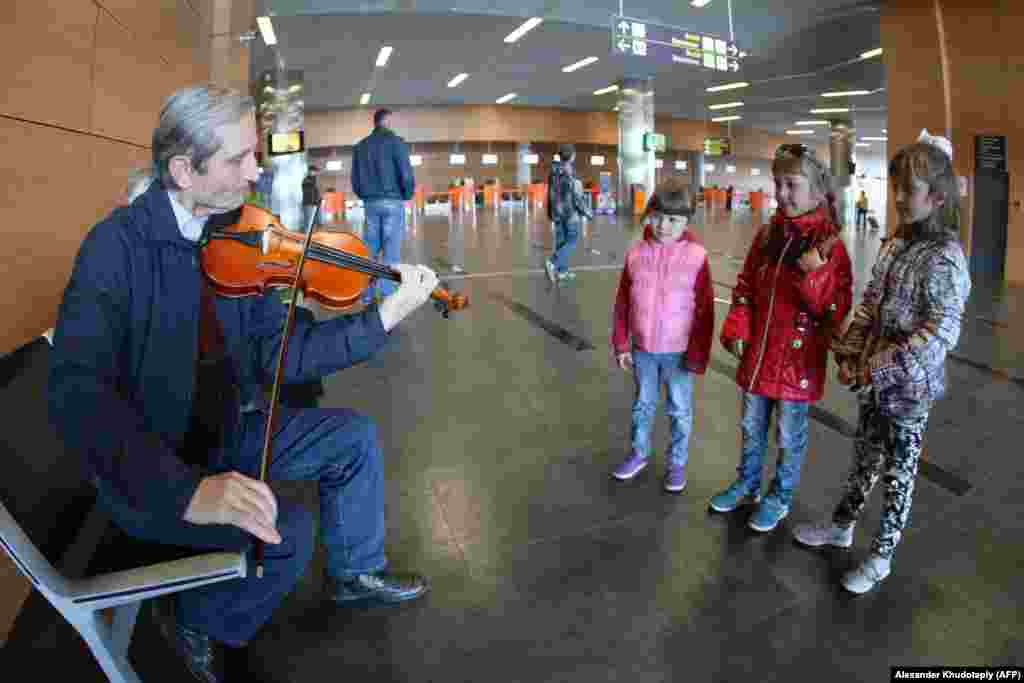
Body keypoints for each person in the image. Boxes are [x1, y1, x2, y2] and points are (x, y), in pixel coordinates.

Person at [48, 85, 439, 683]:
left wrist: (381, 318)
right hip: (154, 468)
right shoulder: (115, 248)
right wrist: (186, 491)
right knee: (289, 529)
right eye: (238, 159)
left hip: (226, 432)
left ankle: (355, 572)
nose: (256, 171)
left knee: (352, 438)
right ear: (184, 170)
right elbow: (79, 397)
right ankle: (200, 622)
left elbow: (290, 349)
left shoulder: (237, 237)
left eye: (255, 154)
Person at [792, 131, 970, 594]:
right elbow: (871, 303)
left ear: (936, 196)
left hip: (909, 389)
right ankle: (842, 525)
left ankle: (883, 554)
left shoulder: (946, 257)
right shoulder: (895, 243)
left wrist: (884, 365)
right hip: (874, 380)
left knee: (899, 473)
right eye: (896, 188)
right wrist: (851, 352)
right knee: (862, 458)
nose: (898, 198)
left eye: (908, 190)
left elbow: (942, 331)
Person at [711, 144, 853, 532]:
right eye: (778, 183)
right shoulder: (768, 234)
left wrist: (817, 274)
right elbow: (746, 285)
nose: (782, 193)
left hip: (797, 362)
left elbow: (836, 310)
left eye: (791, 184)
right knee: (750, 426)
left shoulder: (829, 245)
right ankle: (748, 482)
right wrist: (739, 319)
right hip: (759, 356)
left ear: (817, 190)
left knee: (790, 435)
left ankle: (781, 494)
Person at [610, 179, 714, 492]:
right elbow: (623, 302)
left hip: (679, 352)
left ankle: (677, 463)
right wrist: (620, 343)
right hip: (643, 350)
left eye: (673, 219)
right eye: (657, 216)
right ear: (648, 215)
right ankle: (639, 453)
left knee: (679, 409)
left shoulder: (696, 256)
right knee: (643, 404)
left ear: (686, 222)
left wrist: (698, 353)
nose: (663, 226)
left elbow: (705, 310)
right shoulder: (635, 254)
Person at [352, 108, 416, 304]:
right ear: (387, 121)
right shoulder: (396, 142)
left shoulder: (361, 146)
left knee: (370, 249)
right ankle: (388, 295)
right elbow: (405, 173)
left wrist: (366, 196)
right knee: (391, 249)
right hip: (393, 201)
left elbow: (355, 180)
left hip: (371, 203)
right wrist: (406, 194)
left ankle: (366, 293)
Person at [544, 144, 593, 283]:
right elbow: (576, 196)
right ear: (572, 156)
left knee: (561, 242)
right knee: (572, 241)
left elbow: (551, 193)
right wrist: (587, 212)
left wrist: (551, 212)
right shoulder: (569, 172)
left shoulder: (553, 170)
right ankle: (552, 262)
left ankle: (562, 271)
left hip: (557, 213)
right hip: (570, 213)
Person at [301, 165, 321, 232]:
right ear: (310, 171)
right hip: (308, 203)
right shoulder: (306, 180)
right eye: (314, 171)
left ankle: (311, 235)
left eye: (316, 172)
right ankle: (306, 236)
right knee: (308, 221)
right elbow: (309, 191)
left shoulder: (314, 180)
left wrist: (317, 200)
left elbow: (316, 192)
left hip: (314, 204)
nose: (315, 173)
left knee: (312, 221)